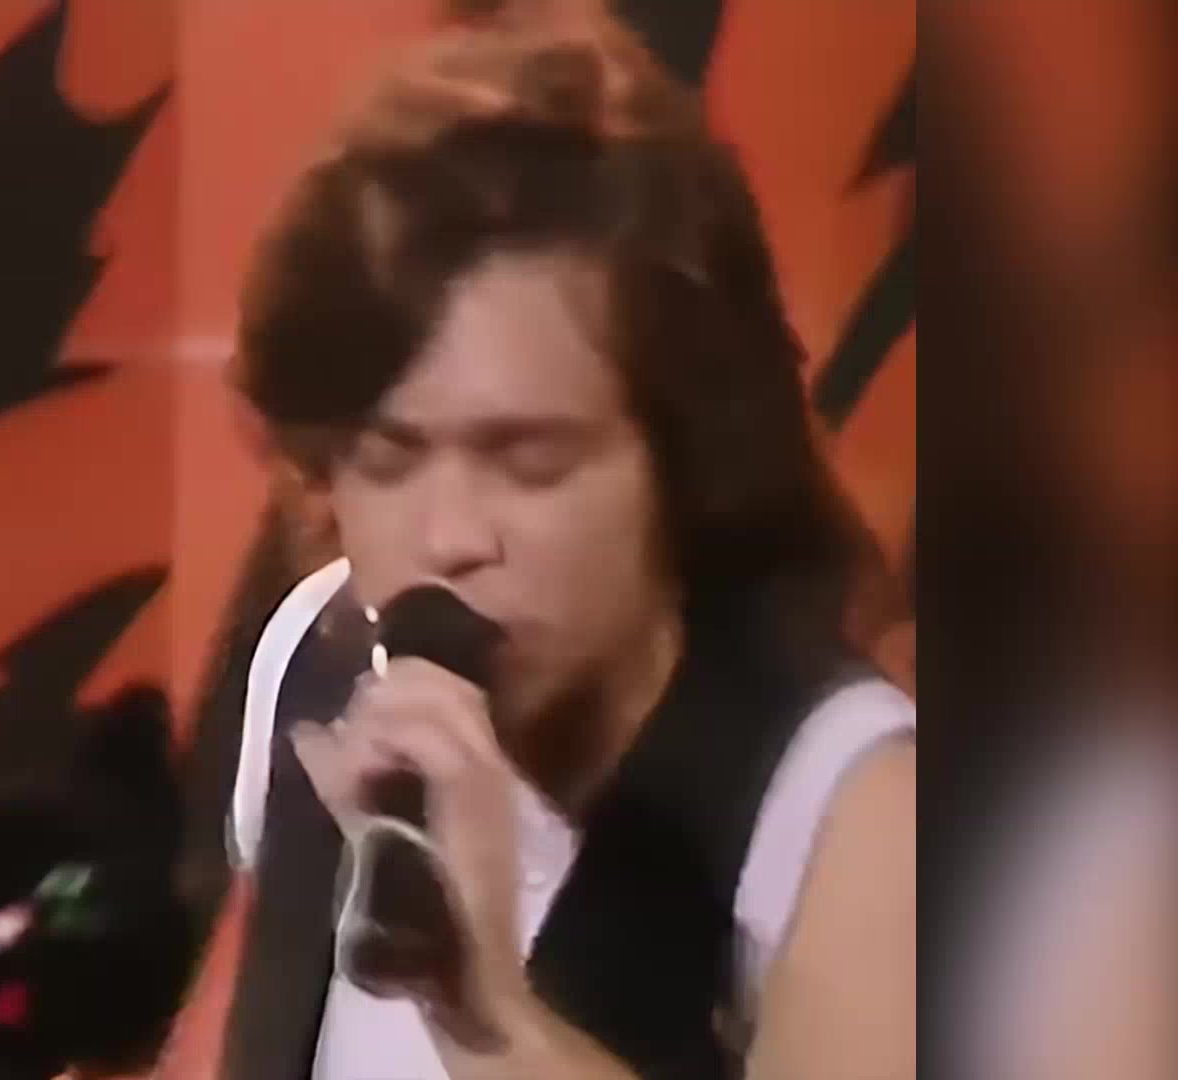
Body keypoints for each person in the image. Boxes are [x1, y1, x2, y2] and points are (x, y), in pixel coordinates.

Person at [215, 4, 915, 1079]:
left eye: (530, 462)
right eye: (389, 460)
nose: (450, 540)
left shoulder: (850, 815)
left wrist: (489, 1018)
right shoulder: (312, 659)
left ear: (684, 461)